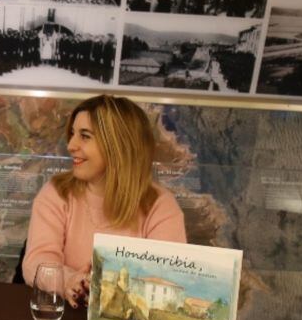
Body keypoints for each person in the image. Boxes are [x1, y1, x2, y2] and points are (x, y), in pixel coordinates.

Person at [22, 95, 186, 305]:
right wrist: (70, 281)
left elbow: (167, 279)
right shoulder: (56, 193)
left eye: (85, 136)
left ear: (118, 145)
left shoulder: (161, 206)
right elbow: (36, 261)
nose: (71, 145)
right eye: (72, 134)